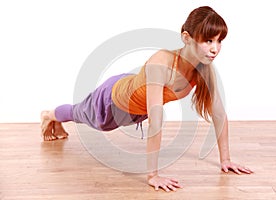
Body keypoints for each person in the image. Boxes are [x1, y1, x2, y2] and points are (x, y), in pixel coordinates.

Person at [40, 6, 253, 192]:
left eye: (219, 41)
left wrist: (225, 160)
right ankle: (49, 115)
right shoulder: (162, 62)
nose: (215, 49)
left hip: (136, 106)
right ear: (186, 37)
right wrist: (153, 175)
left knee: (86, 116)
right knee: (83, 115)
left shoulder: (204, 69)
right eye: (208, 41)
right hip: (112, 99)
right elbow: (156, 123)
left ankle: (55, 118)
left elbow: (219, 113)